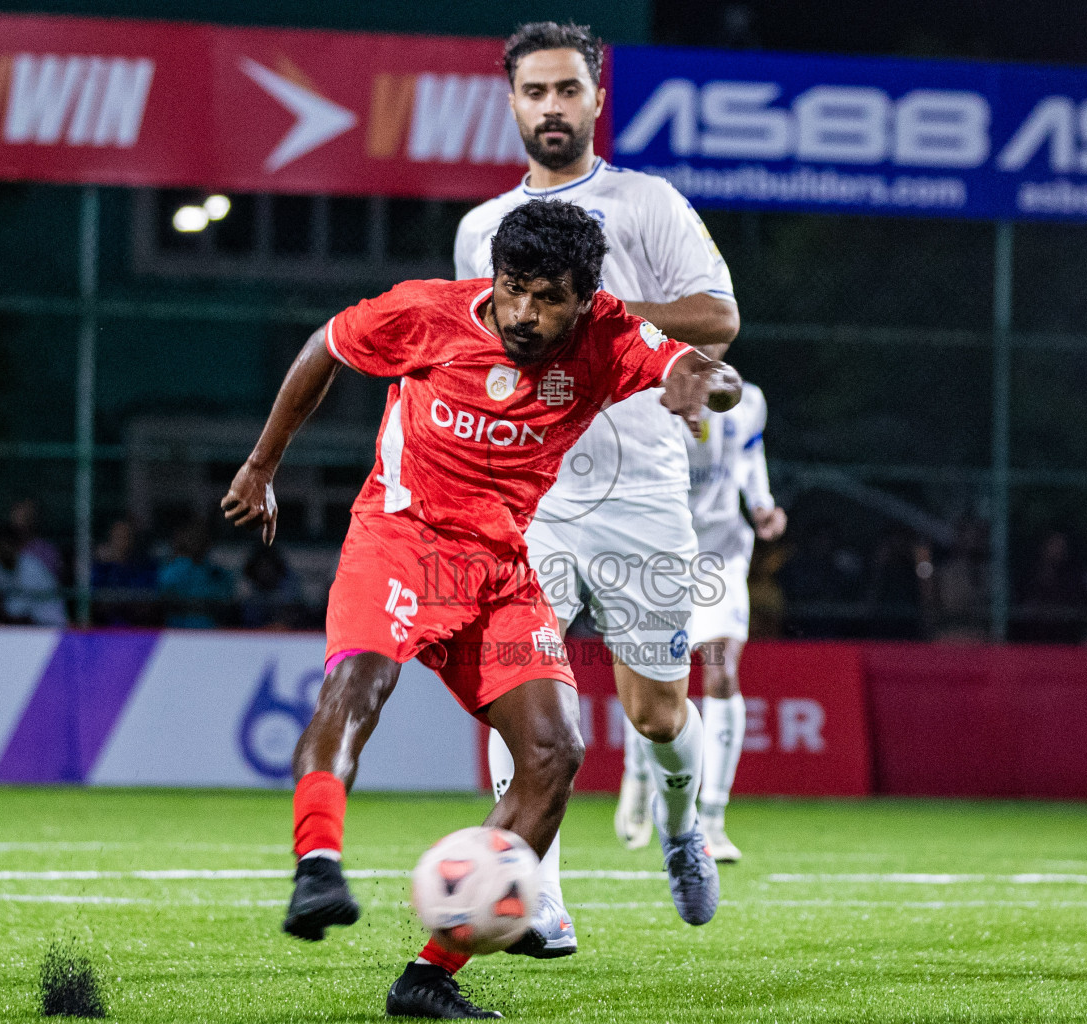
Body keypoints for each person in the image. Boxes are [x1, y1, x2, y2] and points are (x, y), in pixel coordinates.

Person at [221, 198, 739, 1019]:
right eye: (512, 289)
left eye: (548, 298)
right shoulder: (426, 312)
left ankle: (430, 976)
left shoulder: (607, 335)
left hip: (500, 569)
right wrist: (261, 466)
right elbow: (325, 344)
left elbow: (688, 362)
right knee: (358, 688)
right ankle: (316, 867)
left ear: (586, 299)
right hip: (401, 538)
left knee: (555, 752)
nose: (524, 314)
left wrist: (711, 385)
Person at [454, 22, 741, 954]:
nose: (550, 107)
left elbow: (717, 316)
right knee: (520, 697)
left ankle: (681, 823)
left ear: (595, 99)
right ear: (511, 102)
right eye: (533, 92)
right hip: (529, 497)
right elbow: (476, 353)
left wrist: (597, 315)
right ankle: (535, 893)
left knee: (657, 714)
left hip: (645, 493)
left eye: (566, 91)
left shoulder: (647, 204)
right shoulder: (478, 231)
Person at [650, 381, 784, 864]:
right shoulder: (651, 396)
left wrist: (762, 502)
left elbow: (750, 452)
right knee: (658, 684)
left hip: (721, 551)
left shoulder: (748, 397)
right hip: (661, 551)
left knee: (722, 669)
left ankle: (713, 818)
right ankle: (643, 776)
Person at [157, 520, 234, 628]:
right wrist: (184, 559)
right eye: (191, 538)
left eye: (200, 538)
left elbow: (227, 596)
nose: (196, 542)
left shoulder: (218, 573)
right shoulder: (172, 568)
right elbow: (165, 588)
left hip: (211, 631)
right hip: (177, 630)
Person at [0, 527, 67, 626]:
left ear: (17, 547)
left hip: (48, 622)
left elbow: (16, 613)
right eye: (1, 546)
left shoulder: (32, 568)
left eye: (9, 545)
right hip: (23, 624)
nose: (5, 550)